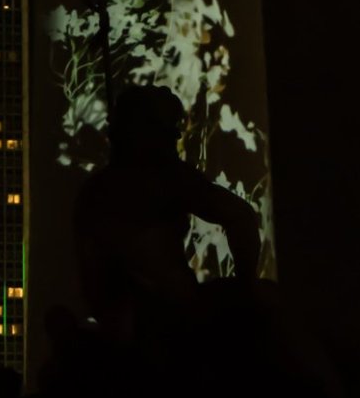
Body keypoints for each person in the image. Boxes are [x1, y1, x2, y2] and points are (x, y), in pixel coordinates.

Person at [73, 84, 261, 342]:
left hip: (135, 325)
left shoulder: (94, 192)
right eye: (169, 132)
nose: (175, 141)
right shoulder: (166, 178)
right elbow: (240, 216)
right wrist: (247, 290)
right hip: (167, 323)